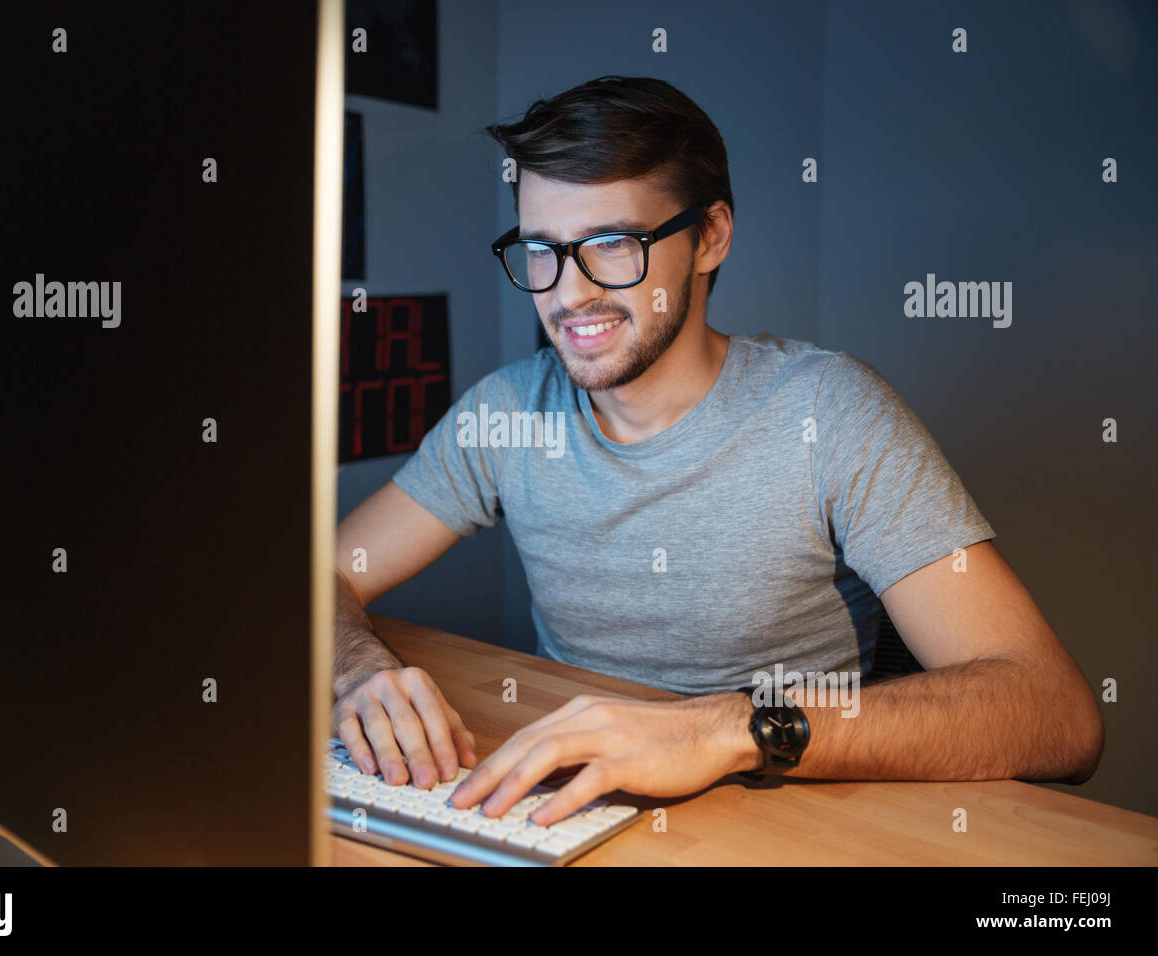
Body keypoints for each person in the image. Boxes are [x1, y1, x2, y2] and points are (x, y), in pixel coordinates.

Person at [332, 76, 1102, 829]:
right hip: (575, 812)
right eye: (542, 250)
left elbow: (1055, 713)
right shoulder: (508, 412)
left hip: (791, 822)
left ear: (710, 237)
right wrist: (358, 669)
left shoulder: (830, 411)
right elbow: (318, 575)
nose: (567, 295)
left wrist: (725, 730)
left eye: (611, 244)